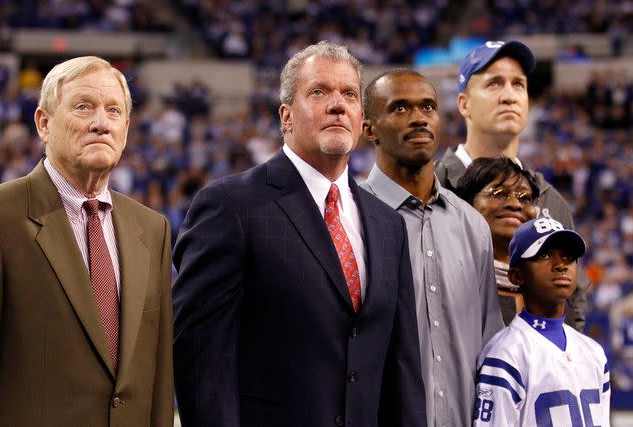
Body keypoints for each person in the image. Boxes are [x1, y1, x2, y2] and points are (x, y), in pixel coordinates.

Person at [173, 42, 426, 427]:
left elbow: (401, 365)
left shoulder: (388, 224)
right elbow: (200, 360)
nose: (337, 104)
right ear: (286, 116)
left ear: (361, 118)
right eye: (319, 92)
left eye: (350, 95)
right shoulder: (230, 206)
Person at [0, 56, 174, 426]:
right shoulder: (0, 216)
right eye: (83, 107)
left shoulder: (152, 230)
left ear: (126, 128)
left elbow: (156, 380)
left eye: (114, 111)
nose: (100, 123)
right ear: (44, 123)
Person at [361, 68, 503, 427]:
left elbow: (489, 343)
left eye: (428, 107)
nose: (419, 118)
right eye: (400, 109)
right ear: (368, 128)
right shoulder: (349, 217)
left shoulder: (472, 225)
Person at [434, 40, 589, 331]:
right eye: (494, 84)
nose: (509, 96)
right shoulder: (432, 191)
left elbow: (572, 303)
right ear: (463, 104)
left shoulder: (550, 201)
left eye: (518, 85)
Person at [474, 217, 610, 426]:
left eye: (568, 256)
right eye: (544, 255)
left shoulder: (594, 352)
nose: (560, 265)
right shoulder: (506, 353)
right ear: (516, 275)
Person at [456, 157, 540, 324]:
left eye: (525, 198)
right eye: (499, 194)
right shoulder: (448, 279)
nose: (515, 204)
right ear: (467, 204)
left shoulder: (547, 289)